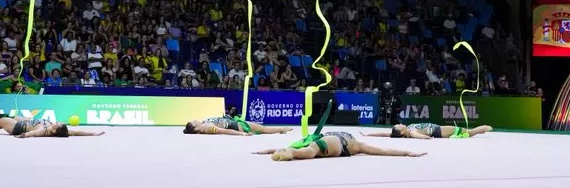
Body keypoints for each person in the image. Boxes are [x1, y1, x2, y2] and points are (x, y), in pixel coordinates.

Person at [254, 131, 428, 161]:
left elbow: (383, 150)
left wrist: (406, 152)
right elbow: (382, 151)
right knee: (311, 151)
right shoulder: (358, 145)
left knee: (309, 149)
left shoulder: (357, 144)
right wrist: (406, 152)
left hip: (328, 140)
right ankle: (289, 152)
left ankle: (288, 152)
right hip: (337, 143)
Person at [0, 115, 103, 138]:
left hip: (18, 128)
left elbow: (34, 134)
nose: (58, 122)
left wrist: (23, 135)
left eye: (58, 124)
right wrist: (93, 133)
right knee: (17, 116)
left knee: (1, 121)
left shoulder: (45, 130)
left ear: (54, 130)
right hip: (24, 121)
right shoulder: (62, 131)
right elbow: (77, 132)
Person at [183, 116, 291, 135]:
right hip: (237, 126)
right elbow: (224, 131)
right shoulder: (206, 128)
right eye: (194, 121)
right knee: (264, 129)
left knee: (262, 128)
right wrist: (242, 134)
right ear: (195, 127)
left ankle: (281, 129)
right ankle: (282, 129)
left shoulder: (204, 122)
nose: (196, 120)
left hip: (235, 122)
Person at [366, 123, 493, 139]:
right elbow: (417, 135)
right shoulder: (411, 132)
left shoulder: (401, 132)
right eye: (399, 126)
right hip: (438, 130)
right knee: (468, 132)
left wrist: (369, 134)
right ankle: (484, 129)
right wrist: (426, 138)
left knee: (464, 132)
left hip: (438, 130)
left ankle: (482, 129)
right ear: (402, 132)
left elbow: (385, 134)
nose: (400, 123)